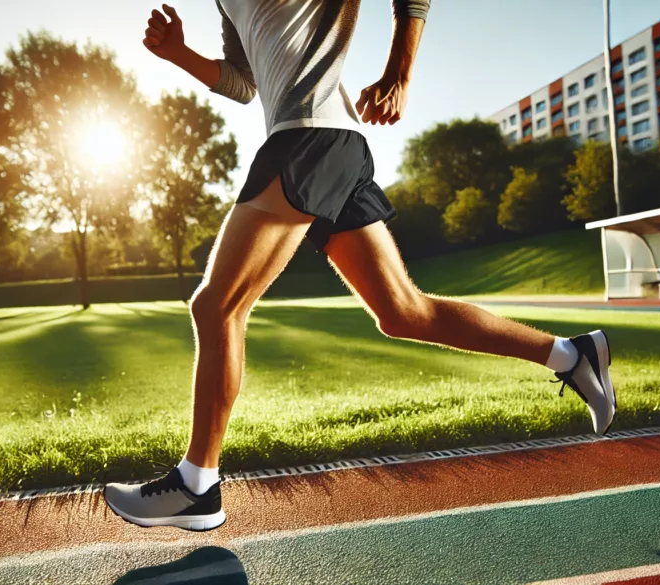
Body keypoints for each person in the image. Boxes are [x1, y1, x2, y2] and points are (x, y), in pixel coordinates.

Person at [104, 0, 616, 532]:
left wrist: (399, 75)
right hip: (324, 141)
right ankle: (571, 355)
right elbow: (244, 83)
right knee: (403, 312)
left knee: (217, 307)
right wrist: (180, 54)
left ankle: (196, 486)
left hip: (310, 138)